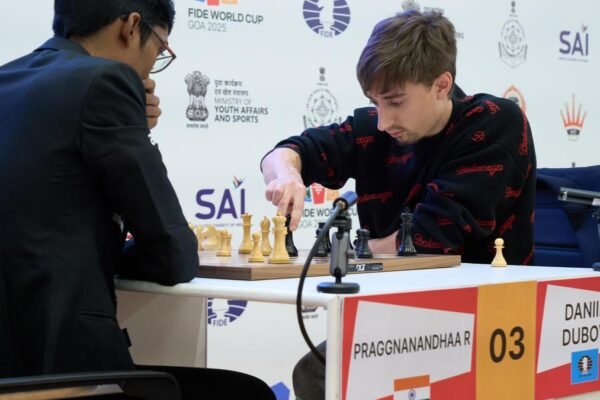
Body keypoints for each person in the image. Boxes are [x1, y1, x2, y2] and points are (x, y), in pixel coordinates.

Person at [0, 2, 276, 398]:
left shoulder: (8, 78)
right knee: (246, 393)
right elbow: (174, 252)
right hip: (66, 373)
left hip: (12, 369)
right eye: (160, 48)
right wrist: (136, 129)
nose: (150, 69)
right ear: (132, 26)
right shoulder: (107, 80)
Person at [260, 10, 536, 399]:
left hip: (484, 317)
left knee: (324, 375)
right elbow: (289, 151)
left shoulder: (493, 123)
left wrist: (349, 252)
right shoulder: (374, 131)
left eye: (395, 102)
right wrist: (287, 173)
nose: (383, 121)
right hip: (405, 312)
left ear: (441, 85)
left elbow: (429, 243)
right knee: (317, 373)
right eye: (375, 103)